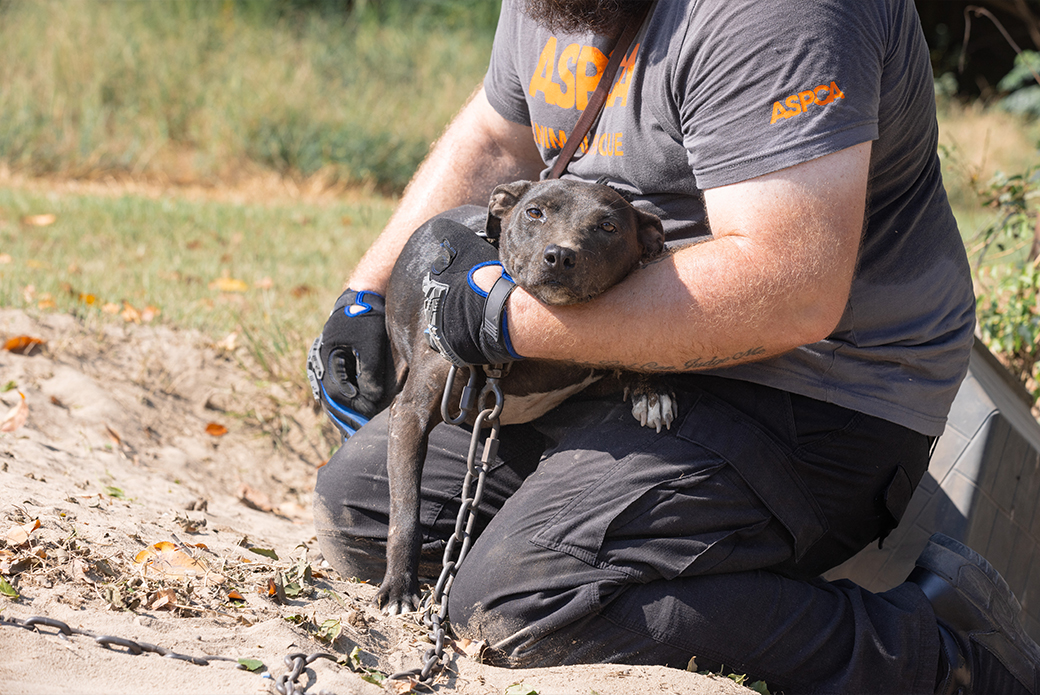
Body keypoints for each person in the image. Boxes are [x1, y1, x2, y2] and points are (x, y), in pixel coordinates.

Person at [308, 1, 1040, 692]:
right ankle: (676, 569)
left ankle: (945, 656)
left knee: (520, 599)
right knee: (363, 513)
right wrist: (366, 294)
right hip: (612, 358)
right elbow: (500, 136)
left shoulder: (778, 16)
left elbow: (793, 285)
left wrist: (504, 320)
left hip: (812, 385)